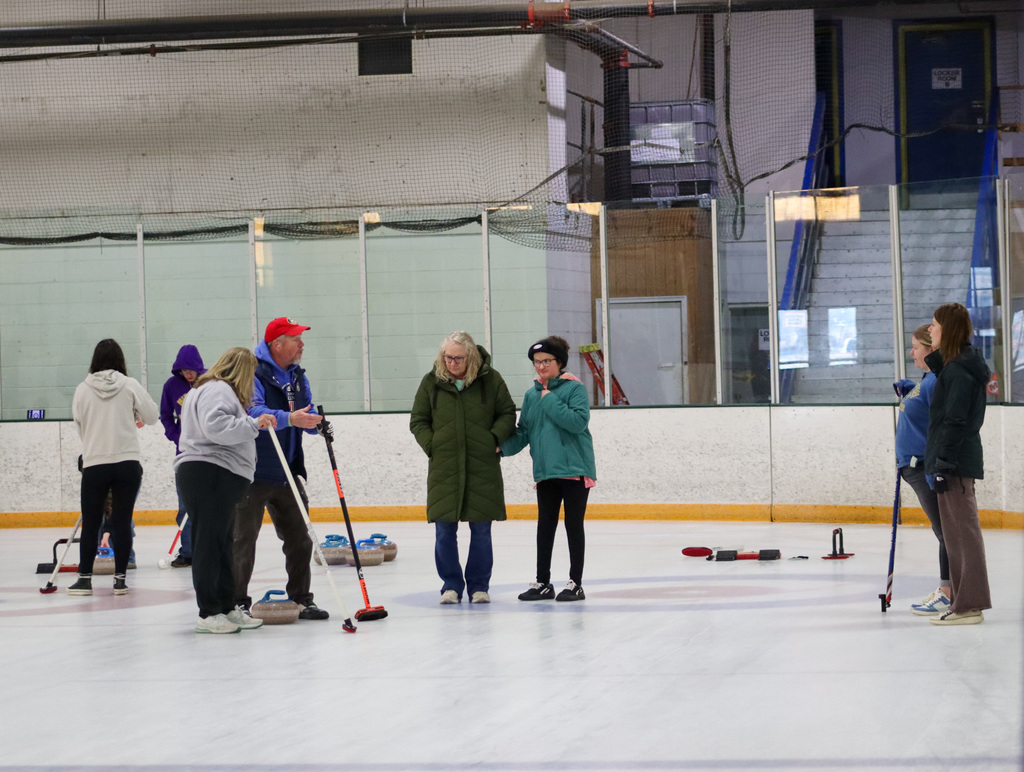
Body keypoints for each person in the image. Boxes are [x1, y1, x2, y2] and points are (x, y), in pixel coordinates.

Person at [410, 331, 517, 604]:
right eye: (448, 357)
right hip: (444, 466)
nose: (452, 363)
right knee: (444, 530)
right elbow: (418, 420)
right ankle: (451, 585)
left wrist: (493, 439)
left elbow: (507, 412)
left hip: (482, 465)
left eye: (458, 358)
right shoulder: (431, 382)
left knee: (481, 530)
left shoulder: (490, 380)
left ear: (470, 356)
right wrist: (432, 445)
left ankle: (479, 586)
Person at [232, 317, 328, 620]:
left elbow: (306, 409)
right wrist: (292, 419)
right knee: (242, 540)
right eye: (296, 338)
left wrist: (315, 424)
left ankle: (301, 598)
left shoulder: (298, 376)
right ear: (277, 344)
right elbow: (254, 411)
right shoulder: (253, 371)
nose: (302, 344)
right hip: (253, 471)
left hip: (287, 470)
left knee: (301, 537)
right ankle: (237, 603)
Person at [176, 347, 276, 634]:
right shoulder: (218, 389)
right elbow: (216, 427)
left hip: (217, 473)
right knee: (209, 543)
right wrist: (253, 423)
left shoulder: (211, 389)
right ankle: (209, 612)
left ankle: (226, 605)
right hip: (209, 472)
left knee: (221, 543)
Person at [500, 336, 596, 602]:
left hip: (574, 470)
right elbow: (525, 432)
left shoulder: (573, 389)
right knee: (545, 526)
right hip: (545, 472)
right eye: (537, 362)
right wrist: (501, 448)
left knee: (573, 525)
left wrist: (548, 398)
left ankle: (575, 583)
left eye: (546, 361)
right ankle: (543, 582)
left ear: (559, 362)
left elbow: (577, 423)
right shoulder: (532, 395)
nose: (541, 367)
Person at [69, 339, 159, 596]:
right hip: (127, 462)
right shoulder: (130, 385)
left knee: (91, 522)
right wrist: (135, 415)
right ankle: (120, 580)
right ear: (120, 360)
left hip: (95, 462)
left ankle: (85, 579)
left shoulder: (81, 389)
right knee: (122, 521)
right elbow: (152, 416)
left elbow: (80, 425)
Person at [924, 302, 992, 625]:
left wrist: (943, 464)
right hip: (952, 462)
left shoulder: (959, 371)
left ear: (947, 330)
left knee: (964, 535)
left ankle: (970, 605)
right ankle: (965, 602)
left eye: (934, 325)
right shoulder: (955, 367)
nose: (929, 330)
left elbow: (955, 421)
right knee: (955, 536)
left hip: (954, 464)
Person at [893, 325, 947, 615]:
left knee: (944, 532)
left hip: (925, 468)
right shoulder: (925, 380)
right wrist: (908, 389)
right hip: (915, 467)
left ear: (930, 349)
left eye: (915, 347)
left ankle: (949, 590)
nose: (911, 352)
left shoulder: (934, 381)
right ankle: (951, 588)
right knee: (943, 530)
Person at [160, 344, 206, 568]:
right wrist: (176, 437)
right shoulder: (171, 386)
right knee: (185, 506)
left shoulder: (211, 384)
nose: (188, 374)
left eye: (191, 370)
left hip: (209, 453)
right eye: (183, 370)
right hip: (184, 455)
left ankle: (208, 551)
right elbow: (165, 416)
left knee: (209, 506)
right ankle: (188, 552)